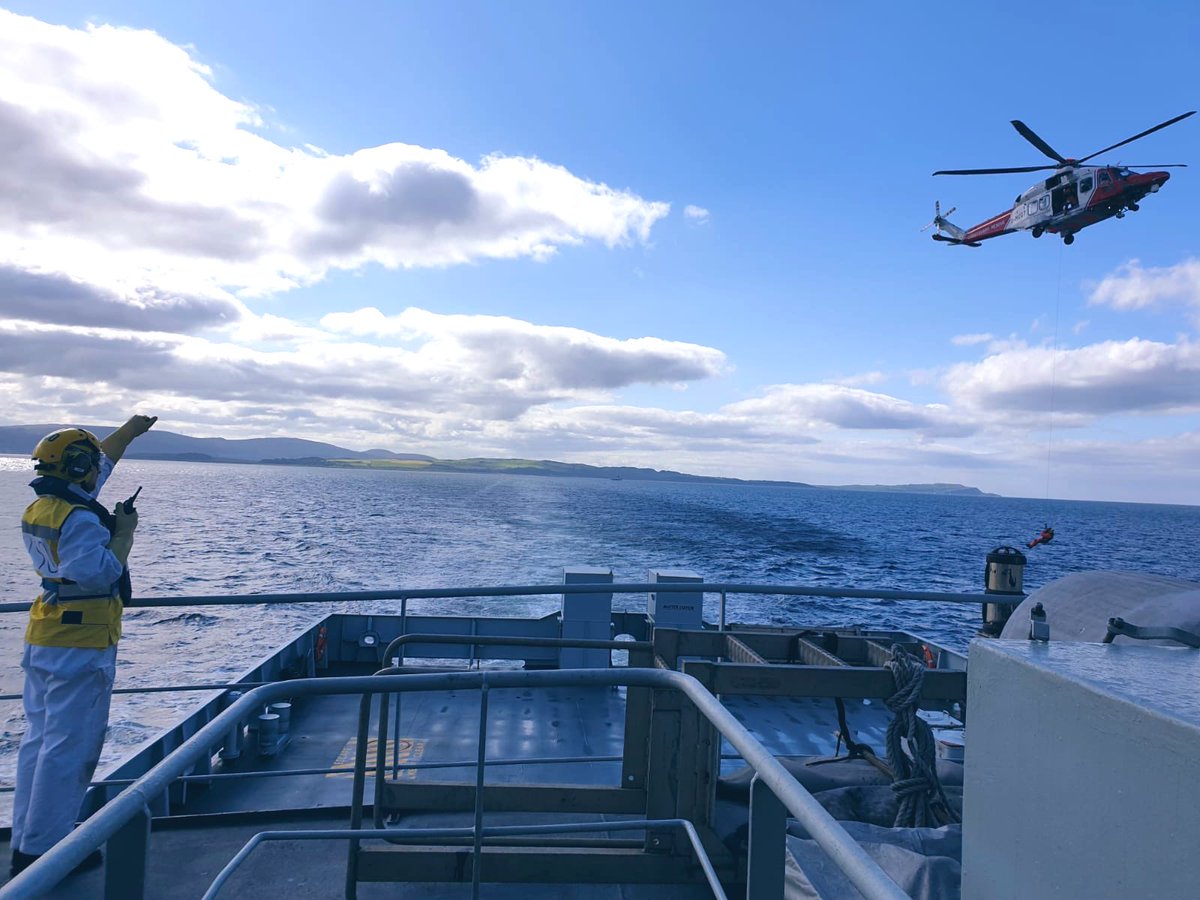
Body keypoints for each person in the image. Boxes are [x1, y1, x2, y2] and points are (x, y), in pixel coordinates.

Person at [11, 414, 157, 878]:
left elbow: (102, 461)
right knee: (69, 748)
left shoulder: (47, 507)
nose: (98, 470)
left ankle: (26, 841)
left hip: (47, 636)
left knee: (38, 743)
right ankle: (47, 855)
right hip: (82, 640)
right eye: (91, 465)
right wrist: (124, 533)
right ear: (77, 470)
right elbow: (100, 572)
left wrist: (130, 432)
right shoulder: (79, 518)